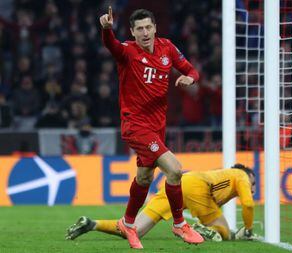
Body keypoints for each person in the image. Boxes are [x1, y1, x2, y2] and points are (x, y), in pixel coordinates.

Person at [99, 7, 203, 248]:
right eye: (139, 29)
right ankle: (179, 225)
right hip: (135, 124)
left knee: (144, 177)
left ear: (155, 28)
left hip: (157, 126)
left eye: (148, 27)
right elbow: (110, 44)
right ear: (132, 33)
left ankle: (127, 222)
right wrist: (106, 29)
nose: (145, 33)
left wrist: (191, 78)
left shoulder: (167, 47)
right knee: (175, 170)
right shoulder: (127, 52)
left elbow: (191, 69)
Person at [66, 164, 259, 242]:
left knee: (134, 231)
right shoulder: (241, 175)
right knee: (225, 234)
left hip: (179, 185)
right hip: (197, 188)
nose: (252, 187)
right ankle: (200, 228)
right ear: (248, 175)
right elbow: (248, 204)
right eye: (253, 183)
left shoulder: (225, 178)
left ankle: (92, 224)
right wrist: (249, 229)